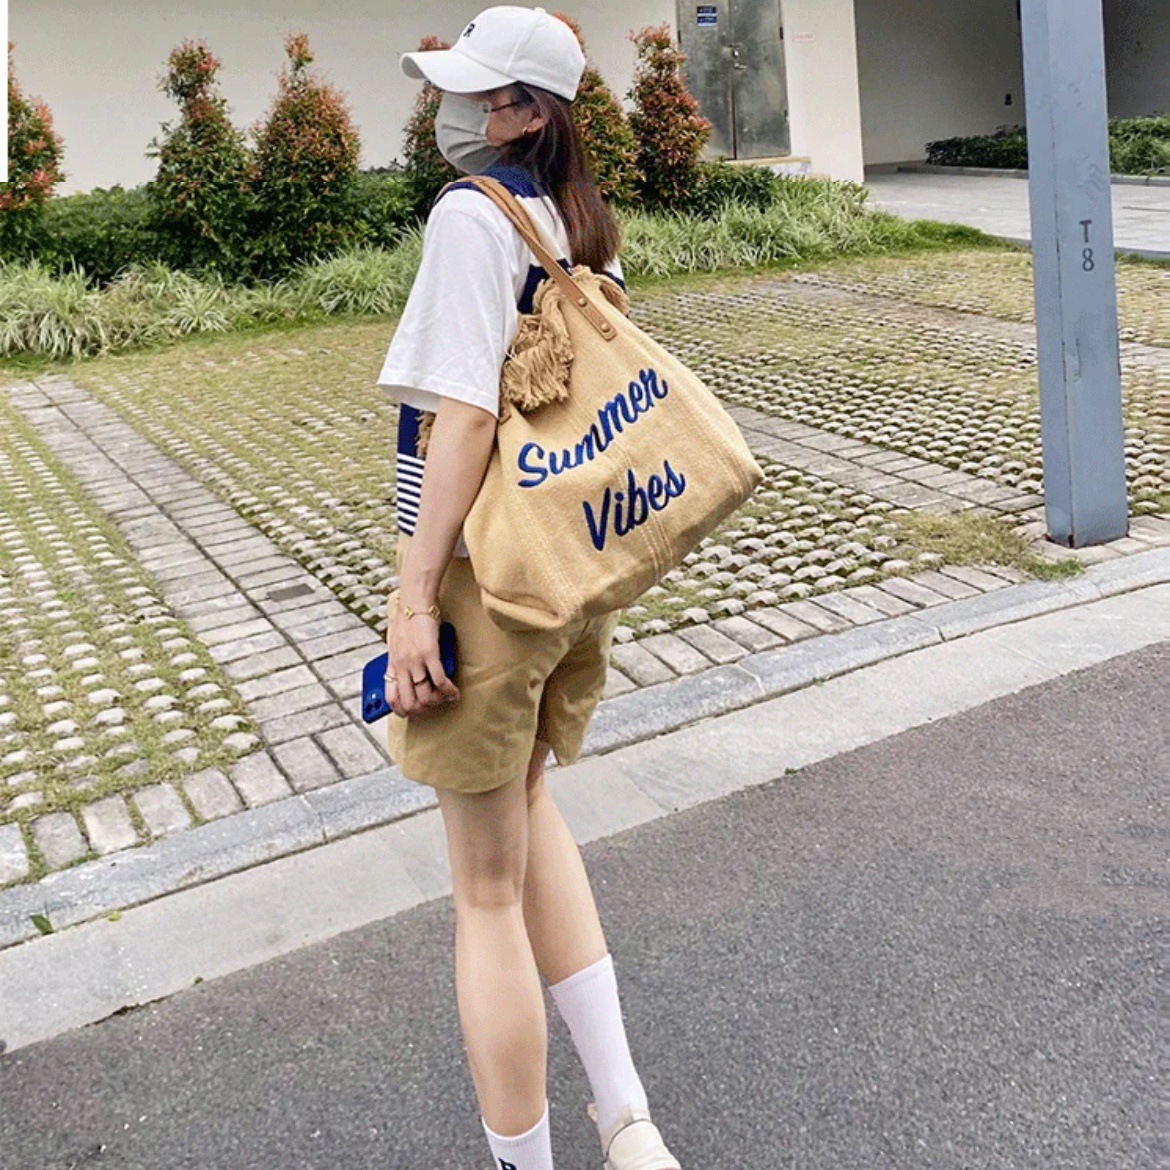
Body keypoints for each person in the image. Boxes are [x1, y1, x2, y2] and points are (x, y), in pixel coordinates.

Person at [376, 7, 683, 1170]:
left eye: (471, 91)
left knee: (485, 893)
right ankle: (626, 1118)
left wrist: (415, 600)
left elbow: (462, 420)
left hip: (487, 582)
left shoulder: (472, 218)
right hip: (571, 576)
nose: (451, 110)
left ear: (520, 112)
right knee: (532, 809)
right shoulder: (579, 218)